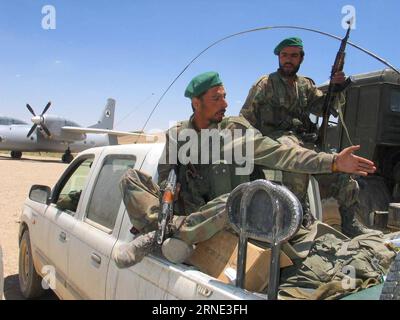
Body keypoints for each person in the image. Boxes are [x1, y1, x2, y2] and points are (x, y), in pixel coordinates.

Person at [113, 71, 376, 267]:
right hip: (193, 210)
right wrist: (168, 189)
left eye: (225, 97)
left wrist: (331, 162)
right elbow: (164, 178)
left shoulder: (235, 131)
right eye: (216, 99)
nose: (225, 104)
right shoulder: (177, 135)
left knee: (241, 198)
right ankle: (169, 228)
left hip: (228, 218)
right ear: (196, 103)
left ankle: (161, 235)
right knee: (131, 177)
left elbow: (283, 154)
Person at [240, 37, 371, 237]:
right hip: (275, 140)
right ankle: (298, 215)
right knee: (297, 161)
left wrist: (336, 89)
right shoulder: (265, 84)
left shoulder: (306, 85)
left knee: (343, 169)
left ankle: (349, 221)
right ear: (278, 57)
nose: (288, 60)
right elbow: (246, 119)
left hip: (303, 140)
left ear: (301, 58)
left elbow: (323, 108)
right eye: (284, 55)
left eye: (293, 55)